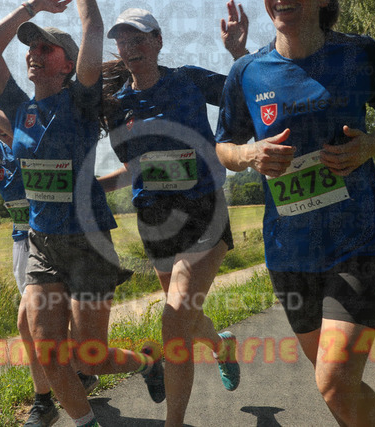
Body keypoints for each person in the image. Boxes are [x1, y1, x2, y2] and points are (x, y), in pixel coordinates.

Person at [215, 0, 375, 425]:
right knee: (337, 387)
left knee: (334, 380)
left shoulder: (360, 53)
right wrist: (250, 154)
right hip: (289, 253)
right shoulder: (246, 72)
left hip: (358, 243)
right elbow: (225, 146)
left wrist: (373, 144)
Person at [0, 1, 163, 426]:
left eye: (45, 48)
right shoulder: (18, 108)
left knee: (88, 358)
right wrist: (32, 7)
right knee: (48, 354)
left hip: (87, 243)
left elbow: (93, 26)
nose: (34, 53)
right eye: (31, 48)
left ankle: (148, 363)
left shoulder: (80, 100)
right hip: (42, 245)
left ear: (68, 65)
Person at [99, 3, 247, 425]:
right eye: (122, 42)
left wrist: (238, 54)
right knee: (185, 316)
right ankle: (221, 345)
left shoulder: (188, 80)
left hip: (203, 213)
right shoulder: (117, 105)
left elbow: (245, 95)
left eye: (139, 39)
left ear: (158, 41)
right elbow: (135, 169)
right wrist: (91, 188)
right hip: (155, 221)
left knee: (174, 323)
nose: (130, 47)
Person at [0, 75, 100, 427]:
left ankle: (68, 384)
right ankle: (53, 394)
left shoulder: (44, 140)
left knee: (45, 326)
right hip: (24, 246)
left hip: (68, 238)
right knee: (35, 325)